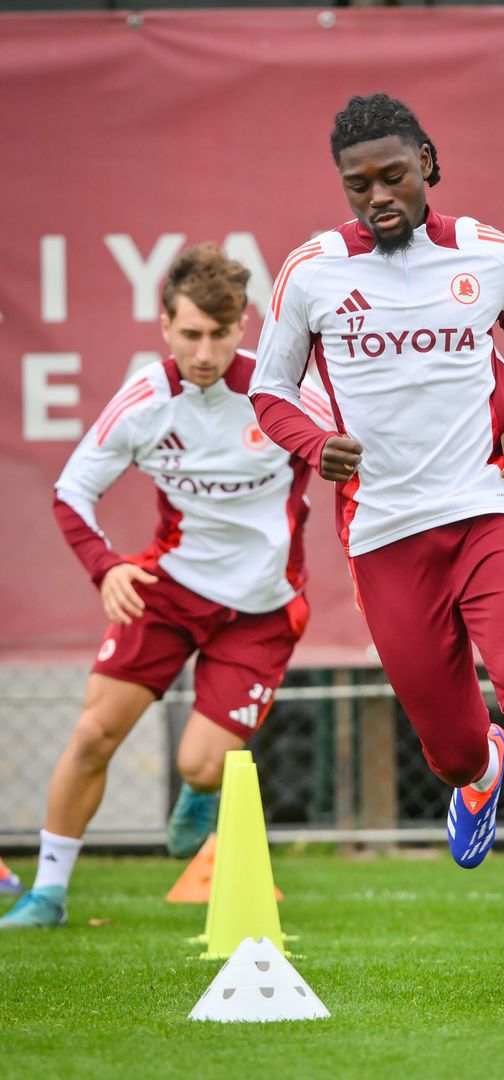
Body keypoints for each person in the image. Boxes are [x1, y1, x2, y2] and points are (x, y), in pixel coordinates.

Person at [249, 92, 504, 985]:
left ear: (428, 163)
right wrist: (314, 443)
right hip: (384, 535)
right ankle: (478, 767)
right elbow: (268, 393)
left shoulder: (487, 255)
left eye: (394, 176)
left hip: (487, 510)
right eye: (358, 185)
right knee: (456, 747)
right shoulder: (310, 273)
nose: (378, 196)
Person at [0, 243, 333, 930]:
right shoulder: (146, 400)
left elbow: (359, 455)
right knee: (93, 733)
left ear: (243, 326)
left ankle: (201, 791)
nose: (204, 351)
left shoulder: (287, 394)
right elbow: (71, 492)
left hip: (261, 608)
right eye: (190, 335)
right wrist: (106, 565)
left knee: (202, 765)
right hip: (168, 590)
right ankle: (48, 894)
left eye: (219, 333)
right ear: (164, 326)